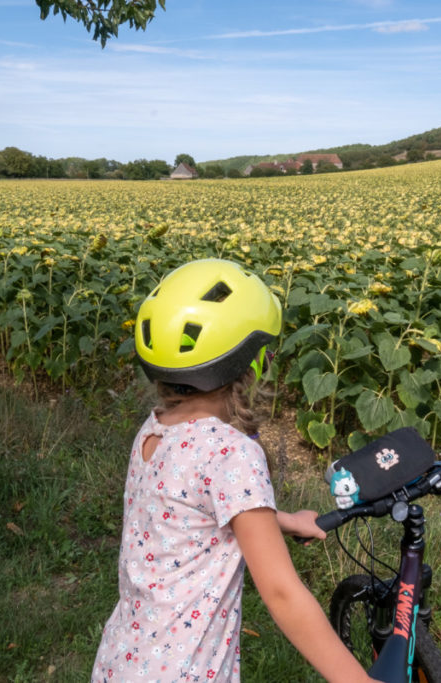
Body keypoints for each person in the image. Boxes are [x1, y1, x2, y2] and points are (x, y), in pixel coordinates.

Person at [91, 259, 375, 682]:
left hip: (124, 661)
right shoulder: (231, 453)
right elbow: (282, 593)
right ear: (254, 361)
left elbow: (187, 513)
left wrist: (282, 520)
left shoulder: (154, 431)